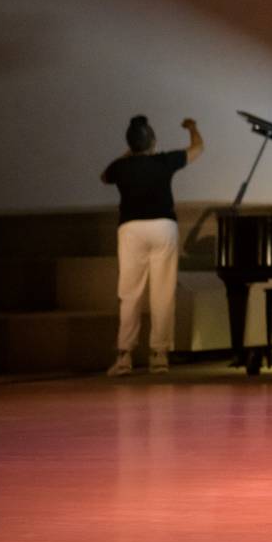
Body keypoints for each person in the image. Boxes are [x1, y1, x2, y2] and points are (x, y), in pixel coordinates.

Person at [101, 115, 204, 376]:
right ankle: (159, 356)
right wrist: (192, 128)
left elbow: (104, 176)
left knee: (130, 293)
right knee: (163, 293)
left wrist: (131, 153)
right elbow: (198, 149)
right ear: (153, 142)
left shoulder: (121, 166)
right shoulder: (163, 160)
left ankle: (124, 356)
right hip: (163, 227)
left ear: (130, 144)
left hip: (131, 230)